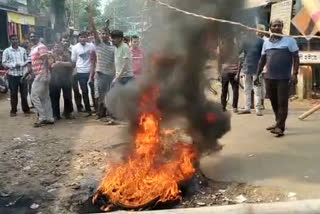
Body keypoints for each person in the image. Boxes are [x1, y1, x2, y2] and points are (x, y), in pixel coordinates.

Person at [255, 19, 300, 137]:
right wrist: (257, 73)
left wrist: (295, 74)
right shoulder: (266, 43)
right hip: (269, 78)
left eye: (279, 25)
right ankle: (277, 122)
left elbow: (296, 58)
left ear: (282, 27)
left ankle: (280, 127)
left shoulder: (290, 41)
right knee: (274, 102)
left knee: (282, 103)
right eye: (274, 26)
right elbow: (262, 59)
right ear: (270, 28)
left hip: (283, 78)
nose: (277, 27)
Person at [87, 6, 115, 120]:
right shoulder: (99, 44)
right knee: (101, 94)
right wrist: (90, 14)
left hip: (110, 74)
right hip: (101, 74)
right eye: (102, 33)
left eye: (106, 33)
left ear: (109, 35)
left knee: (110, 94)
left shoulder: (113, 48)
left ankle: (108, 112)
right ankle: (101, 113)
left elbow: (115, 61)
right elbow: (93, 29)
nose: (103, 35)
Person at [25, 32, 54, 127]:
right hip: (40, 74)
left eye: (34, 36)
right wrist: (28, 73)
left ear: (38, 37)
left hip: (42, 74)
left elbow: (45, 60)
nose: (32, 38)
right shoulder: (33, 48)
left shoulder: (41, 46)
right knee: (45, 97)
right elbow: (33, 63)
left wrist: (45, 73)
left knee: (34, 96)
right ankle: (49, 118)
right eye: (31, 37)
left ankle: (42, 117)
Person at [2, 34, 31, 117]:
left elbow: (27, 60)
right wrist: (14, 65)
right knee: (13, 93)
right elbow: (4, 63)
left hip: (22, 75)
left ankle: (26, 109)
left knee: (24, 93)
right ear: (10, 41)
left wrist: (22, 64)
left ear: (18, 40)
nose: (15, 41)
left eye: (16, 39)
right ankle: (13, 111)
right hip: (12, 75)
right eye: (13, 39)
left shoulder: (22, 50)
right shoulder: (6, 51)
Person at [238, 30, 264, 116]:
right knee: (248, 89)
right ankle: (249, 108)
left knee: (256, 89)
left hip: (256, 68)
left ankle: (257, 109)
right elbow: (239, 52)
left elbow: (264, 55)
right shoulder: (247, 40)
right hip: (248, 68)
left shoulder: (260, 41)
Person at [49, 37, 74, 121]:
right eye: (55, 47)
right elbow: (51, 65)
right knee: (54, 97)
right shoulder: (51, 55)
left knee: (67, 97)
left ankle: (68, 113)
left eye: (58, 47)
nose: (57, 48)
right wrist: (61, 64)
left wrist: (59, 63)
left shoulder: (66, 54)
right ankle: (56, 114)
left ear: (62, 48)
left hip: (66, 79)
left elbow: (71, 64)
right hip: (54, 80)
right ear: (53, 48)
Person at [71, 31, 95, 116]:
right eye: (81, 37)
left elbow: (94, 58)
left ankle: (95, 108)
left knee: (93, 90)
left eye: (84, 37)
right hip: (80, 72)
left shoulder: (91, 46)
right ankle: (88, 109)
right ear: (78, 38)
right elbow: (73, 60)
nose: (83, 39)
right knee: (84, 91)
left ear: (87, 38)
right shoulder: (75, 47)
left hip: (90, 72)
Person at [219, 37, 241, 113]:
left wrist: (219, 72)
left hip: (225, 71)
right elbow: (239, 61)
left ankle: (223, 107)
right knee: (235, 89)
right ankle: (235, 107)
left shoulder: (222, 48)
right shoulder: (236, 48)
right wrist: (238, 73)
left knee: (224, 90)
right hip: (234, 71)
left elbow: (219, 61)